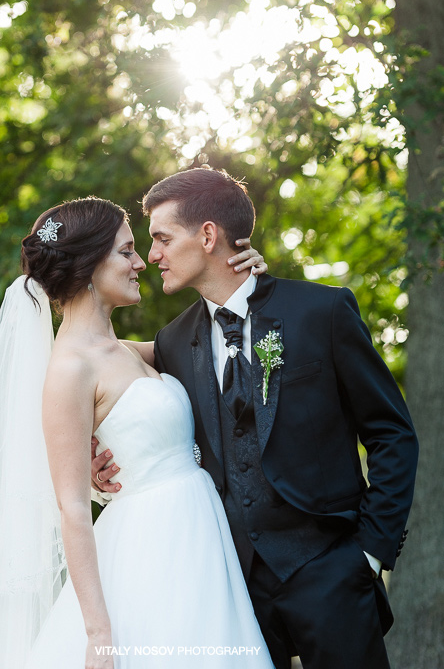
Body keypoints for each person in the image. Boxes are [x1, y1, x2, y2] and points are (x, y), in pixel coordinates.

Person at [93, 167, 419, 669]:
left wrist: (370, 554)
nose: (151, 254)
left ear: (207, 236)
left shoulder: (321, 311)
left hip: (333, 572)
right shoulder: (173, 343)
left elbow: (391, 433)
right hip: (233, 587)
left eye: (161, 238)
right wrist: (94, 458)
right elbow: (86, 360)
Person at [0, 195, 275, 669]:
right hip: (150, 549)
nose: (141, 263)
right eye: (126, 251)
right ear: (90, 265)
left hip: (196, 538)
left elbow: (214, 336)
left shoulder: (125, 350)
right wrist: (99, 634)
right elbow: (71, 505)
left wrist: (246, 280)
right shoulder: (69, 370)